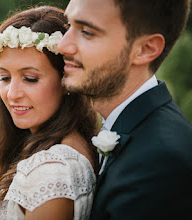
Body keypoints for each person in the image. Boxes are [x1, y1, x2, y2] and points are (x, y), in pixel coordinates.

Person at [57, 0, 192, 219]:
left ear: (145, 49)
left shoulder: (161, 163)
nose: (63, 45)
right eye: (68, 26)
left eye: (87, 32)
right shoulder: (120, 127)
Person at [0, 6, 98, 220]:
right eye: (4, 78)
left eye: (30, 78)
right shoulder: (53, 146)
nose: (12, 94)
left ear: (66, 80)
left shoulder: (53, 170)